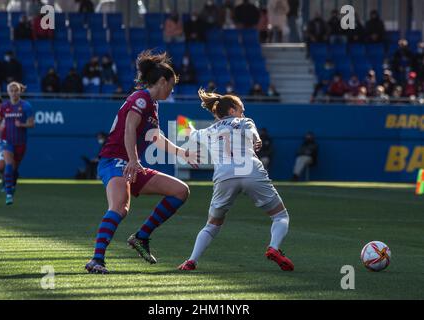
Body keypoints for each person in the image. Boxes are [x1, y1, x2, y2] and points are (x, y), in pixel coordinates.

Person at [85, 50, 197, 274]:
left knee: (180, 191)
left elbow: (155, 137)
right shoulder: (140, 98)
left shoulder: (152, 103)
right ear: (162, 81)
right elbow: (128, 129)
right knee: (119, 207)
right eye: (171, 86)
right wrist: (134, 160)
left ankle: (141, 237)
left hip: (130, 163)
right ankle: (96, 260)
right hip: (115, 161)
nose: (172, 90)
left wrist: (181, 153)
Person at [178, 89, 294, 272]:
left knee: (212, 224)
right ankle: (273, 247)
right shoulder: (244, 122)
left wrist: (183, 122)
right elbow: (252, 131)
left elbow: (188, 131)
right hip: (250, 170)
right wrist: (257, 140)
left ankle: (191, 261)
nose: (243, 113)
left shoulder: (208, 131)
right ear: (232, 111)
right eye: (241, 109)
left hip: (224, 175)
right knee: (280, 216)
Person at [0, 82, 35, 205]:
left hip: (20, 142)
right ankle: (8, 193)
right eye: (11, 90)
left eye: (16, 90)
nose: (14, 93)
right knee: (7, 165)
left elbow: (32, 124)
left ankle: (12, 185)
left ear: (20, 91)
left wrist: (22, 124)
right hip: (7, 141)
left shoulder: (26, 106)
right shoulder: (4, 106)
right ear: (8, 92)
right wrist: (0, 126)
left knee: (14, 168)